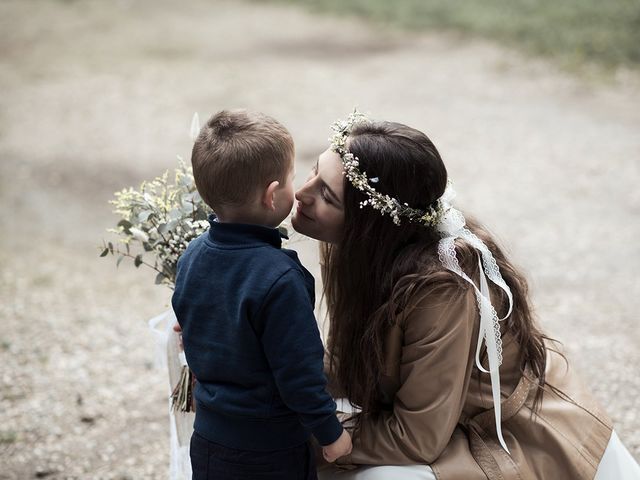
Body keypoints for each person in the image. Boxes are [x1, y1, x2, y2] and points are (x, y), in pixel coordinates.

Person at [290, 111, 640, 479]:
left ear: (370, 227)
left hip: (498, 430)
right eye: (313, 173)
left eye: (326, 195)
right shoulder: (361, 253)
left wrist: (312, 437)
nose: (302, 192)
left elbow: (417, 437)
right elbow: (350, 368)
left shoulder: (441, 291)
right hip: (431, 414)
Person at [171, 109, 352, 480]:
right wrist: (330, 433)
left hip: (208, 438)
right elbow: (299, 371)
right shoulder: (280, 278)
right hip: (269, 449)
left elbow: (187, 320)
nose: (297, 188)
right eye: (289, 179)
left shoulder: (192, 255)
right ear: (272, 196)